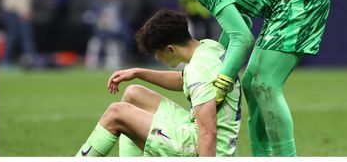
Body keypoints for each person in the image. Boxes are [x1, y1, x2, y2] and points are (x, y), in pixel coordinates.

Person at [137, 0, 331, 156]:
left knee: (265, 85)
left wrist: (221, 81)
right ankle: (262, 156)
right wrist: (218, 63)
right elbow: (242, 23)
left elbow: (242, 37)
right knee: (250, 84)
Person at [75, 10, 241, 157]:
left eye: (157, 53)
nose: (157, 58)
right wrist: (138, 73)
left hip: (203, 148)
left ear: (170, 49)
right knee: (134, 94)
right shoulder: (208, 47)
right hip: (197, 130)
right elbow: (185, 80)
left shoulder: (199, 70)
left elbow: (208, 132)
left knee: (116, 113)